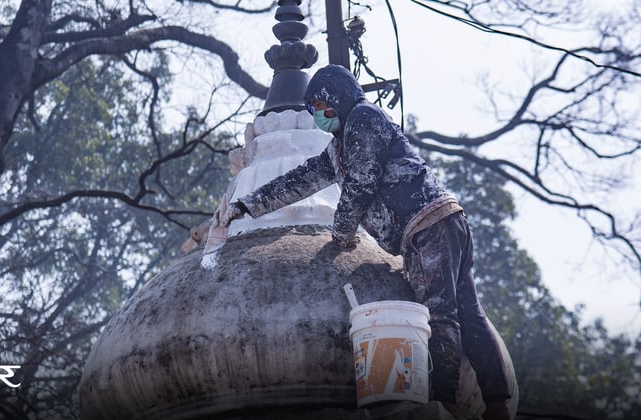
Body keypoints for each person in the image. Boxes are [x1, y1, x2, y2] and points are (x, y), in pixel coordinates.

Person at [219, 64, 511, 419]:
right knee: (467, 310)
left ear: (339, 98)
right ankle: (496, 400)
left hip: (426, 224)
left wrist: (340, 232)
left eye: (324, 107)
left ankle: (445, 400)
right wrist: (246, 205)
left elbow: (362, 182)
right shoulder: (338, 148)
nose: (320, 117)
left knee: (440, 313)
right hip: (443, 222)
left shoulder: (364, 117)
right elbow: (301, 180)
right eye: (313, 112)